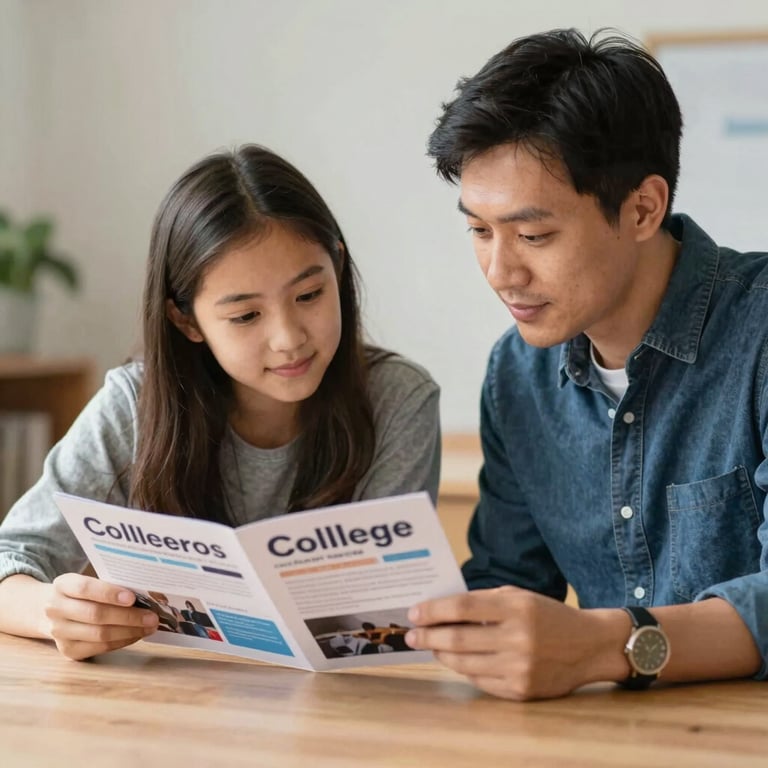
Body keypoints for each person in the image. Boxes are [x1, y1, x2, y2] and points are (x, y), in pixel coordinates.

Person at [404, 28, 768, 701]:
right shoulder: (518, 375)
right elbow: (506, 583)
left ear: (642, 208)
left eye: (534, 235)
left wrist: (606, 645)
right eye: (480, 231)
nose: (499, 271)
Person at [0, 144, 440, 661]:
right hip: (174, 709)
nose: (288, 338)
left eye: (309, 296)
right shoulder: (135, 406)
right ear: (187, 321)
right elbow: (12, 562)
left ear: (337, 268)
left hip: (346, 708)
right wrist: (56, 611)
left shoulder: (398, 400)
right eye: (246, 316)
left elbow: (379, 618)